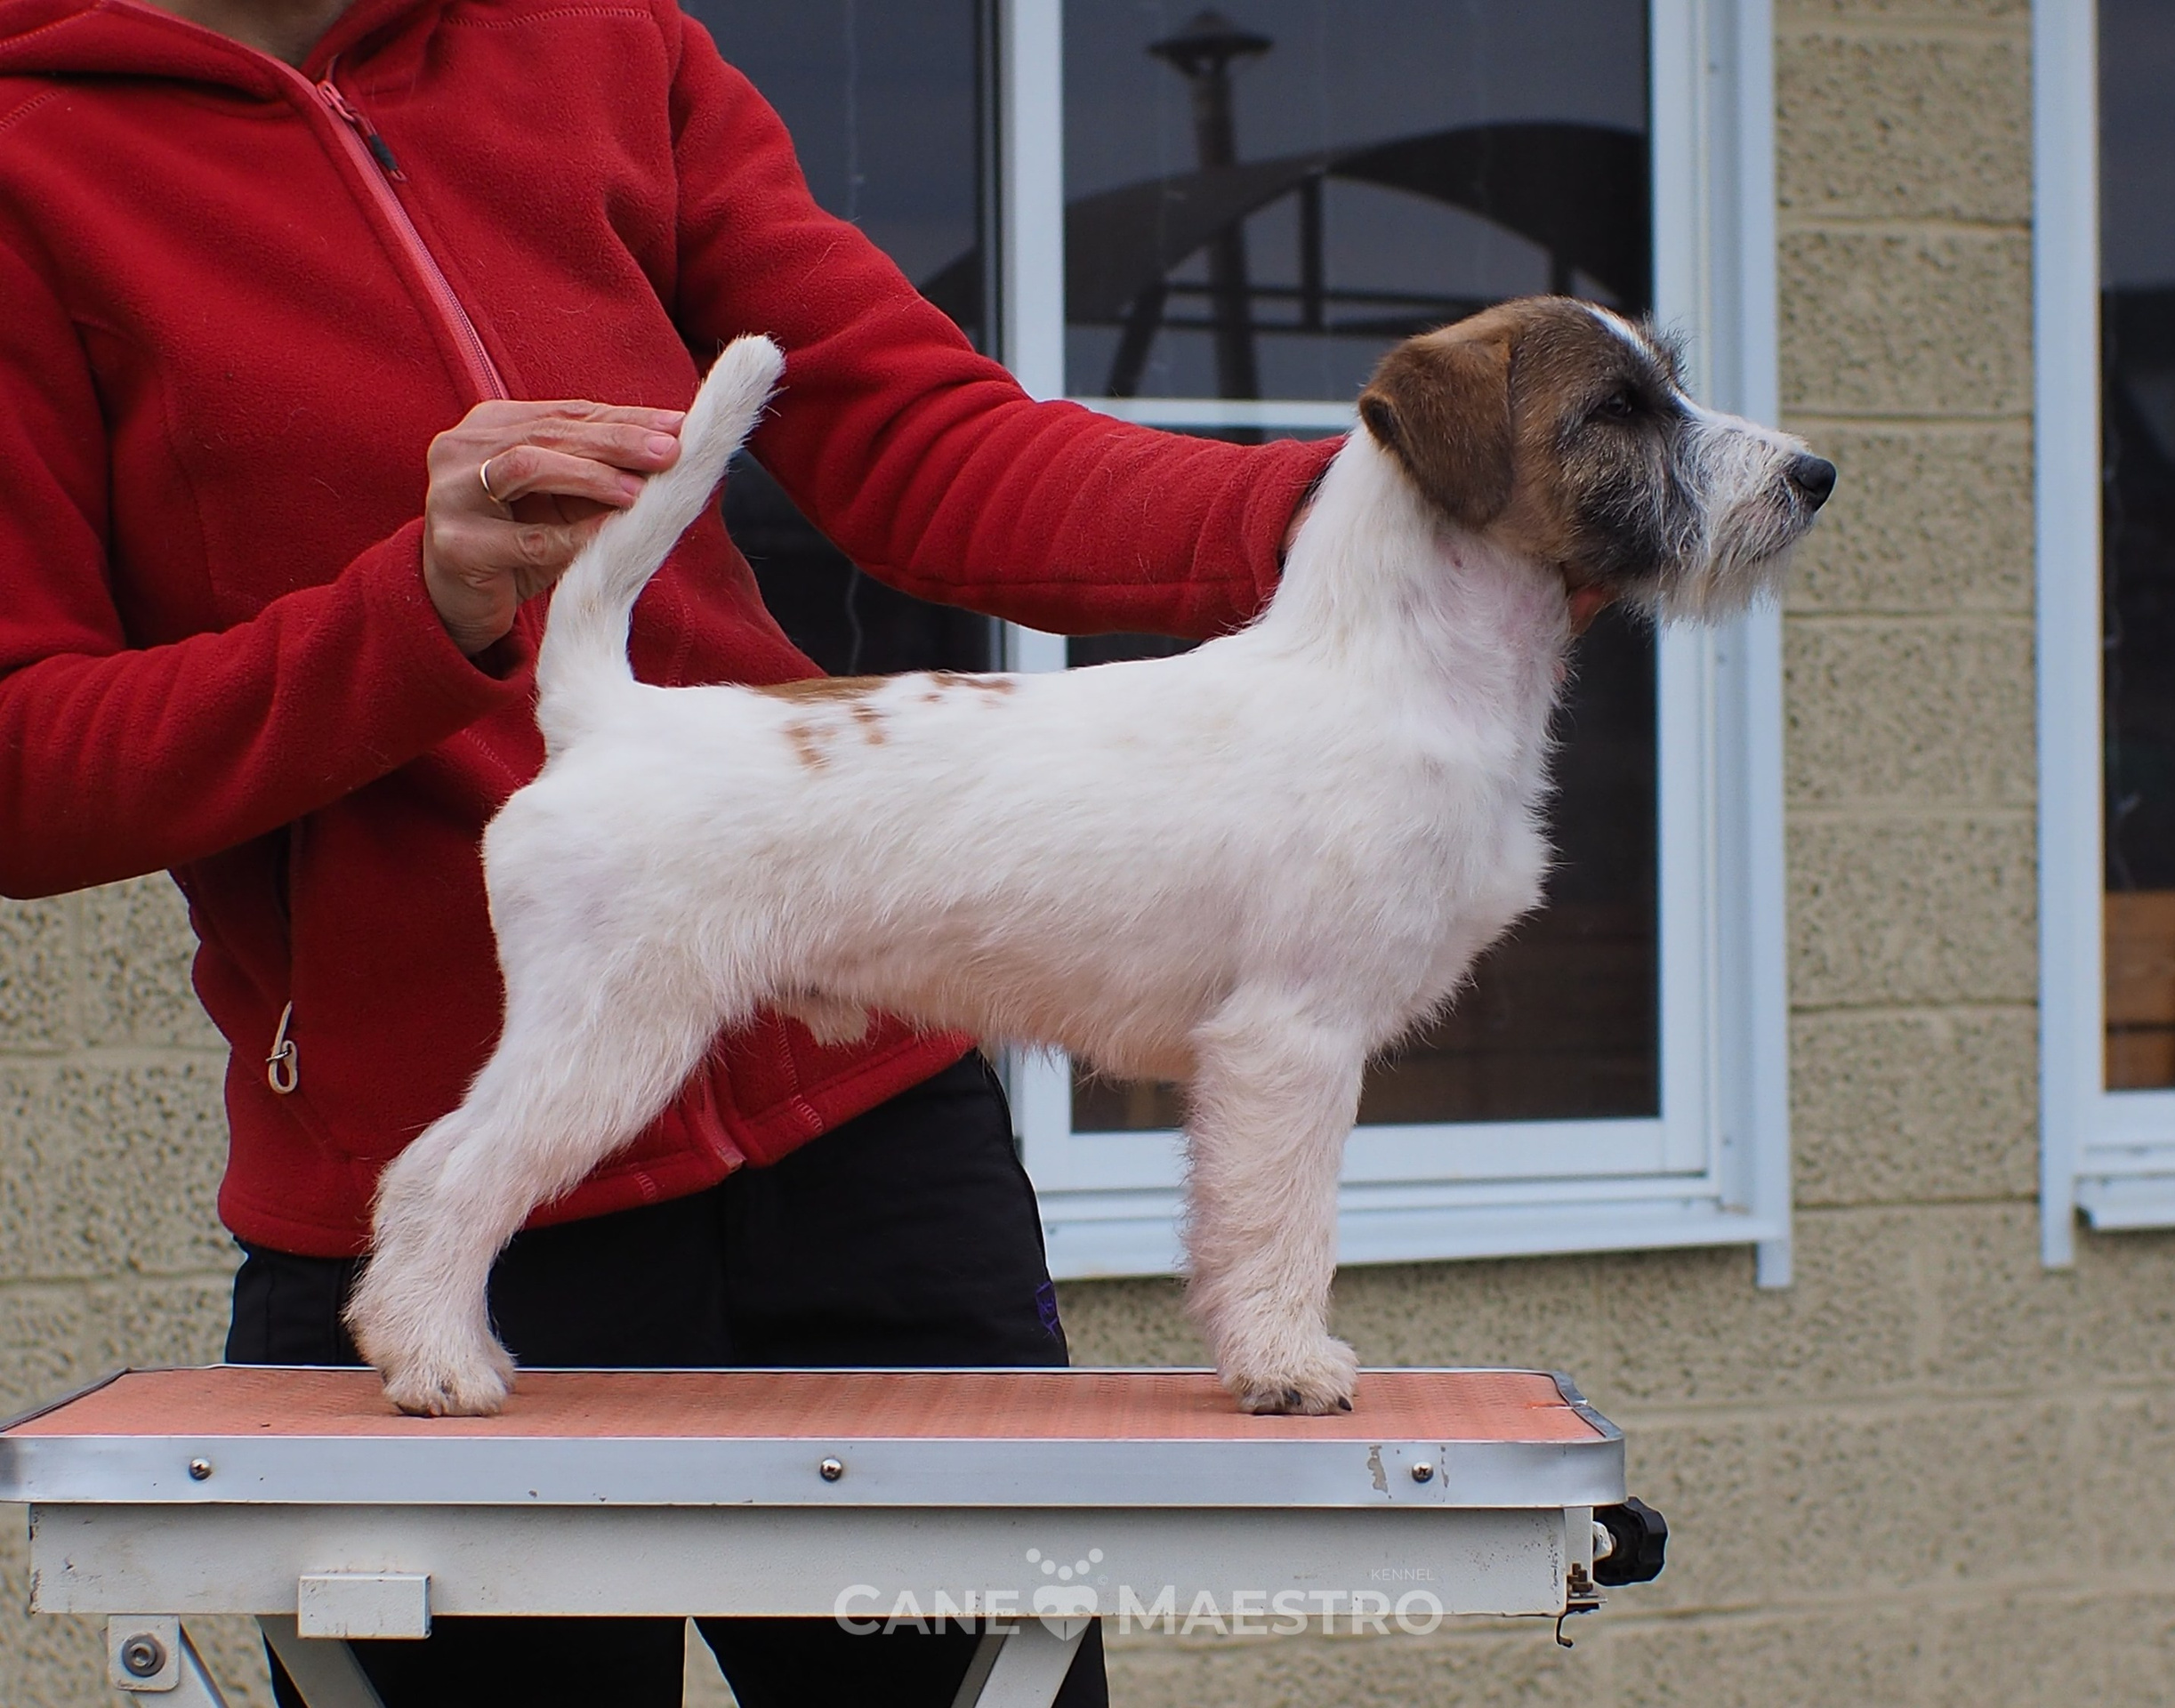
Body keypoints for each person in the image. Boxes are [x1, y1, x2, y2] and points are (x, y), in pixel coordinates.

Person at [0, 0, 1335, 1700]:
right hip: (447, 1193)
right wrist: (413, 614)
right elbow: (24, 763)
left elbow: (922, 436)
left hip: (868, 1160)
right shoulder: (30, 164)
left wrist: (1325, 518)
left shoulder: (612, 43)